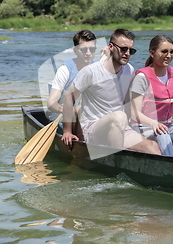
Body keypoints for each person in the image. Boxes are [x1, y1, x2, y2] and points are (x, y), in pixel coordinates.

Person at [61, 29, 161, 157]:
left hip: (121, 127)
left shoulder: (129, 70)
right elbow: (69, 98)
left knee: (152, 146)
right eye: (123, 49)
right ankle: (115, 167)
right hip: (93, 129)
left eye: (131, 50)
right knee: (119, 116)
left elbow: (126, 102)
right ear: (111, 47)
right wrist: (67, 131)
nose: (127, 53)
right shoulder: (90, 72)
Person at [130, 35, 173, 157]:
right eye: (164, 51)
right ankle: (172, 164)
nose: (169, 55)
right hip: (142, 127)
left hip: (167, 125)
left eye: (172, 52)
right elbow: (134, 113)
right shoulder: (142, 77)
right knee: (162, 132)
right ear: (152, 53)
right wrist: (154, 124)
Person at [46, 30, 96, 137]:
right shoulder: (65, 70)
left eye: (92, 49)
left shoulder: (99, 68)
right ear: (75, 50)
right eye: (83, 49)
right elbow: (51, 103)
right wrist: (63, 109)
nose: (88, 53)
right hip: (63, 119)